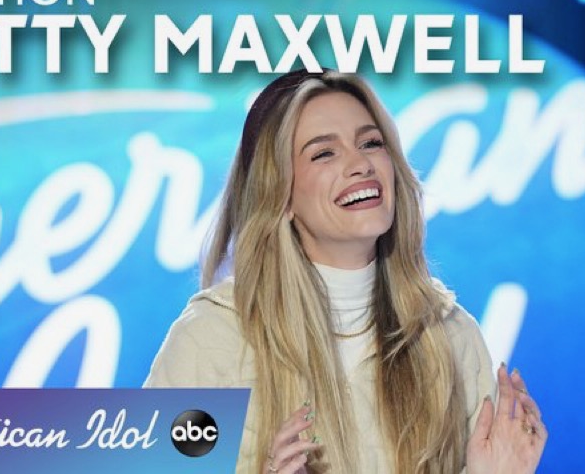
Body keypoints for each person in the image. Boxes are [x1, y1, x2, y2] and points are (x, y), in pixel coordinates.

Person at [145, 69, 547, 473]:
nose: (360, 164)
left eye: (371, 143)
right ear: (280, 194)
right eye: (324, 153)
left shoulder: (449, 335)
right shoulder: (212, 335)